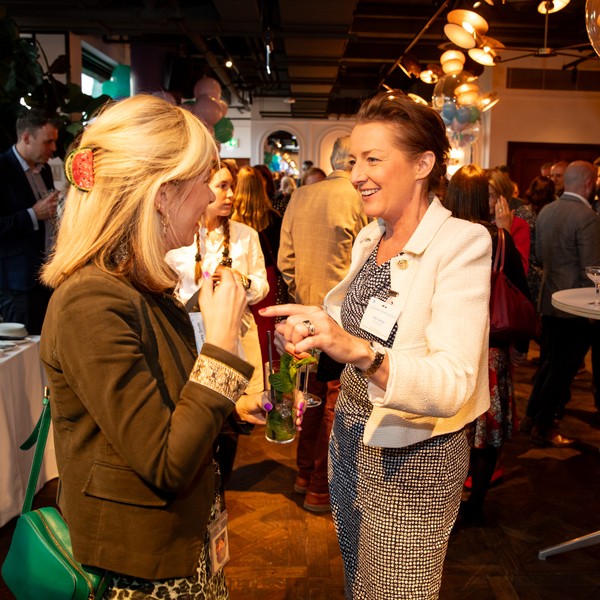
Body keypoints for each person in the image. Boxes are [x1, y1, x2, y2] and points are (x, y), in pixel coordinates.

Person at [39, 95, 304, 598]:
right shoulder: (91, 300)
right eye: (204, 179)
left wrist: (233, 409)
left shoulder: (141, 284)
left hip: (179, 541)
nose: (210, 196)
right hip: (139, 567)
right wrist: (222, 344)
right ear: (163, 194)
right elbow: (165, 463)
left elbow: (166, 404)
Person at [261, 91, 491, 599]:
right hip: (349, 439)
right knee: (359, 581)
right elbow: (355, 324)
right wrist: (315, 329)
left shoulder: (462, 243)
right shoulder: (372, 237)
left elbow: (454, 381)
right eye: (353, 161)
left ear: (422, 165)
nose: (356, 174)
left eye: (372, 159)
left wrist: (362, 353)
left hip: (414, 457)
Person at [166, 162, 270, 497]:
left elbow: (262, 286)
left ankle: (218, 486)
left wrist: (239, 282)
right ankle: (196, 490)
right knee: (193, 415)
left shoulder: (245, 235)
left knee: (230, 414)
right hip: (187, 339)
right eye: (221, 186)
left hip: (234, 336)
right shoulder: (179, 234)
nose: (229, 194)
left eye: (231, 186)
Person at [278, 135, 368, 512]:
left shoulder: (301, 195)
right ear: (353, 161)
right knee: (334, 398)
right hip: (343, 318)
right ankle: (320, 485)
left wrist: (303, 294)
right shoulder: (360, 200)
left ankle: (303, 474)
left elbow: (285, 262)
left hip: (303, 313)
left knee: (309, 394)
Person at [445, 164, 530, 528]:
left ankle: (444, 504)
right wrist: (521, 344)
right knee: (486, 432)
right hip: (489, 348)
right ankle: (476, 504)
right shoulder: (498, 238)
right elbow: (519, 291)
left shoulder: (440, 235)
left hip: (447, 341)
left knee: (448, 428)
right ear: (485, 198)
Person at [524, 161, 600, 447]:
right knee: (562, 369)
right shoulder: (587, 217)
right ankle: (543, 426)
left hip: (550, 299)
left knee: (550, 363)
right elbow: (593, 270)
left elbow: (539, 255)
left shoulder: (547, 211)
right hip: (577, 306)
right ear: (589, 183)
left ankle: (531, 417)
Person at [0, 109, 61, 333]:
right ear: (26, 138)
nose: (54, 148)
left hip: (46, 275)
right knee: (23, 348)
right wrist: (33, 214)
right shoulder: (2, 169)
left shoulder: (44, 170)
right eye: (48, 142)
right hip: (17, 283)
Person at [231, 165, 285, 367]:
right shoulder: (273, 217)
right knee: (265, 327)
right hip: (266, 276)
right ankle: (266, 368)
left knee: (241, 327)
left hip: (238, 276)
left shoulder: (230, 221)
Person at [488, 168, 530, 275]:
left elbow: (520, 271)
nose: (484, 201)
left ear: (503, 197)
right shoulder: (476, 221)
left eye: (490, 196)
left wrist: (504, 231)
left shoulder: (519, 225)